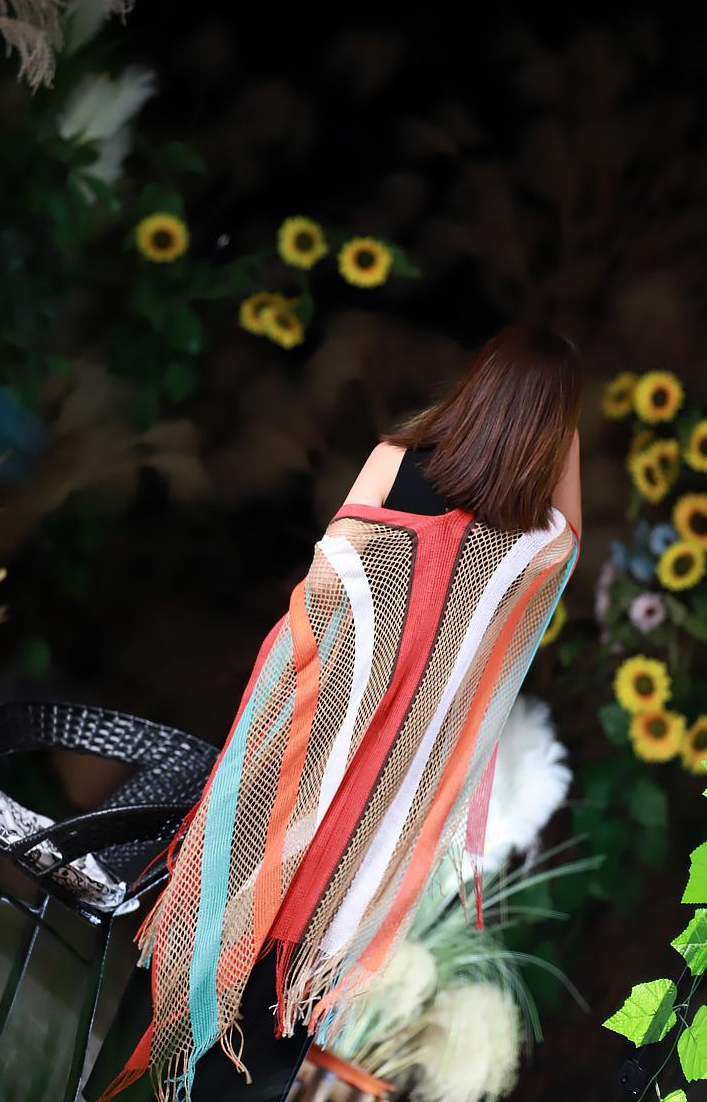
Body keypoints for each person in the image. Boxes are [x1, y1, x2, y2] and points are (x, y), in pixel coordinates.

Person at [86, 319, 582, 1102]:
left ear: (477, 387)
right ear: (555, 435)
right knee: (297, 971)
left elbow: (322, 597)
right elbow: (569, 529)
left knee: (224, 914)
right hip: (382, 813)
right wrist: (557, 414)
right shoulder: (534, 551)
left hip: (307, 755)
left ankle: (132, 1080)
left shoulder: (393, 462)